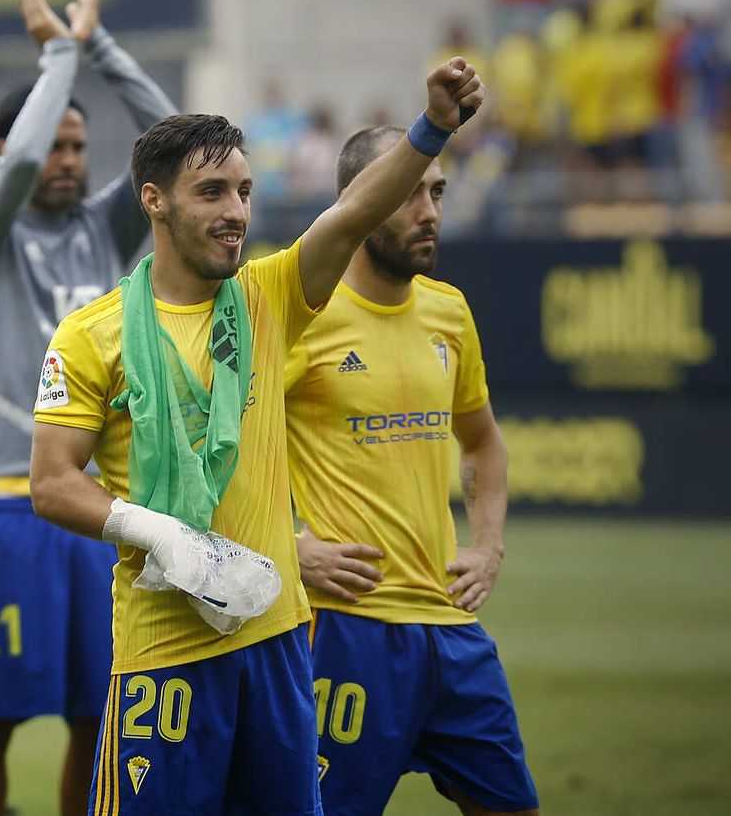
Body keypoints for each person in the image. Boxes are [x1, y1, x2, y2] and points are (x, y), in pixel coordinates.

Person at [28, 61, 485, 813]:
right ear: (154, 201)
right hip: (164, 653)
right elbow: (51, 482)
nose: (235, 210)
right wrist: (160, 534)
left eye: (243, 191)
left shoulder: (267, 298)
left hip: (274, 641)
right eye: (211, 192)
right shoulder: (91, 334)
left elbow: (349, 216)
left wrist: (431, 127)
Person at [0, 0, 179, 816]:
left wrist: (94, 42)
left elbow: (177, 136)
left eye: (83, 148)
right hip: (6, 506)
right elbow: (14, 170)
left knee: (99, 715)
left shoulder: (104, 230)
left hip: (99, 507)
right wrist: (55, 64)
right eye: (60, 146)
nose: (73, 161)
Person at [285, 125, 538, 816]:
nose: (429, 212)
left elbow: (483, 443)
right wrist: (288, 548)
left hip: (452, 631)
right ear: (358, 203)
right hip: (346, 629)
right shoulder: (299, 316)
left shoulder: (448, 312)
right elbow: (224, 451)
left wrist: (487, 544)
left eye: (437, 192)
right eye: (406, 193)